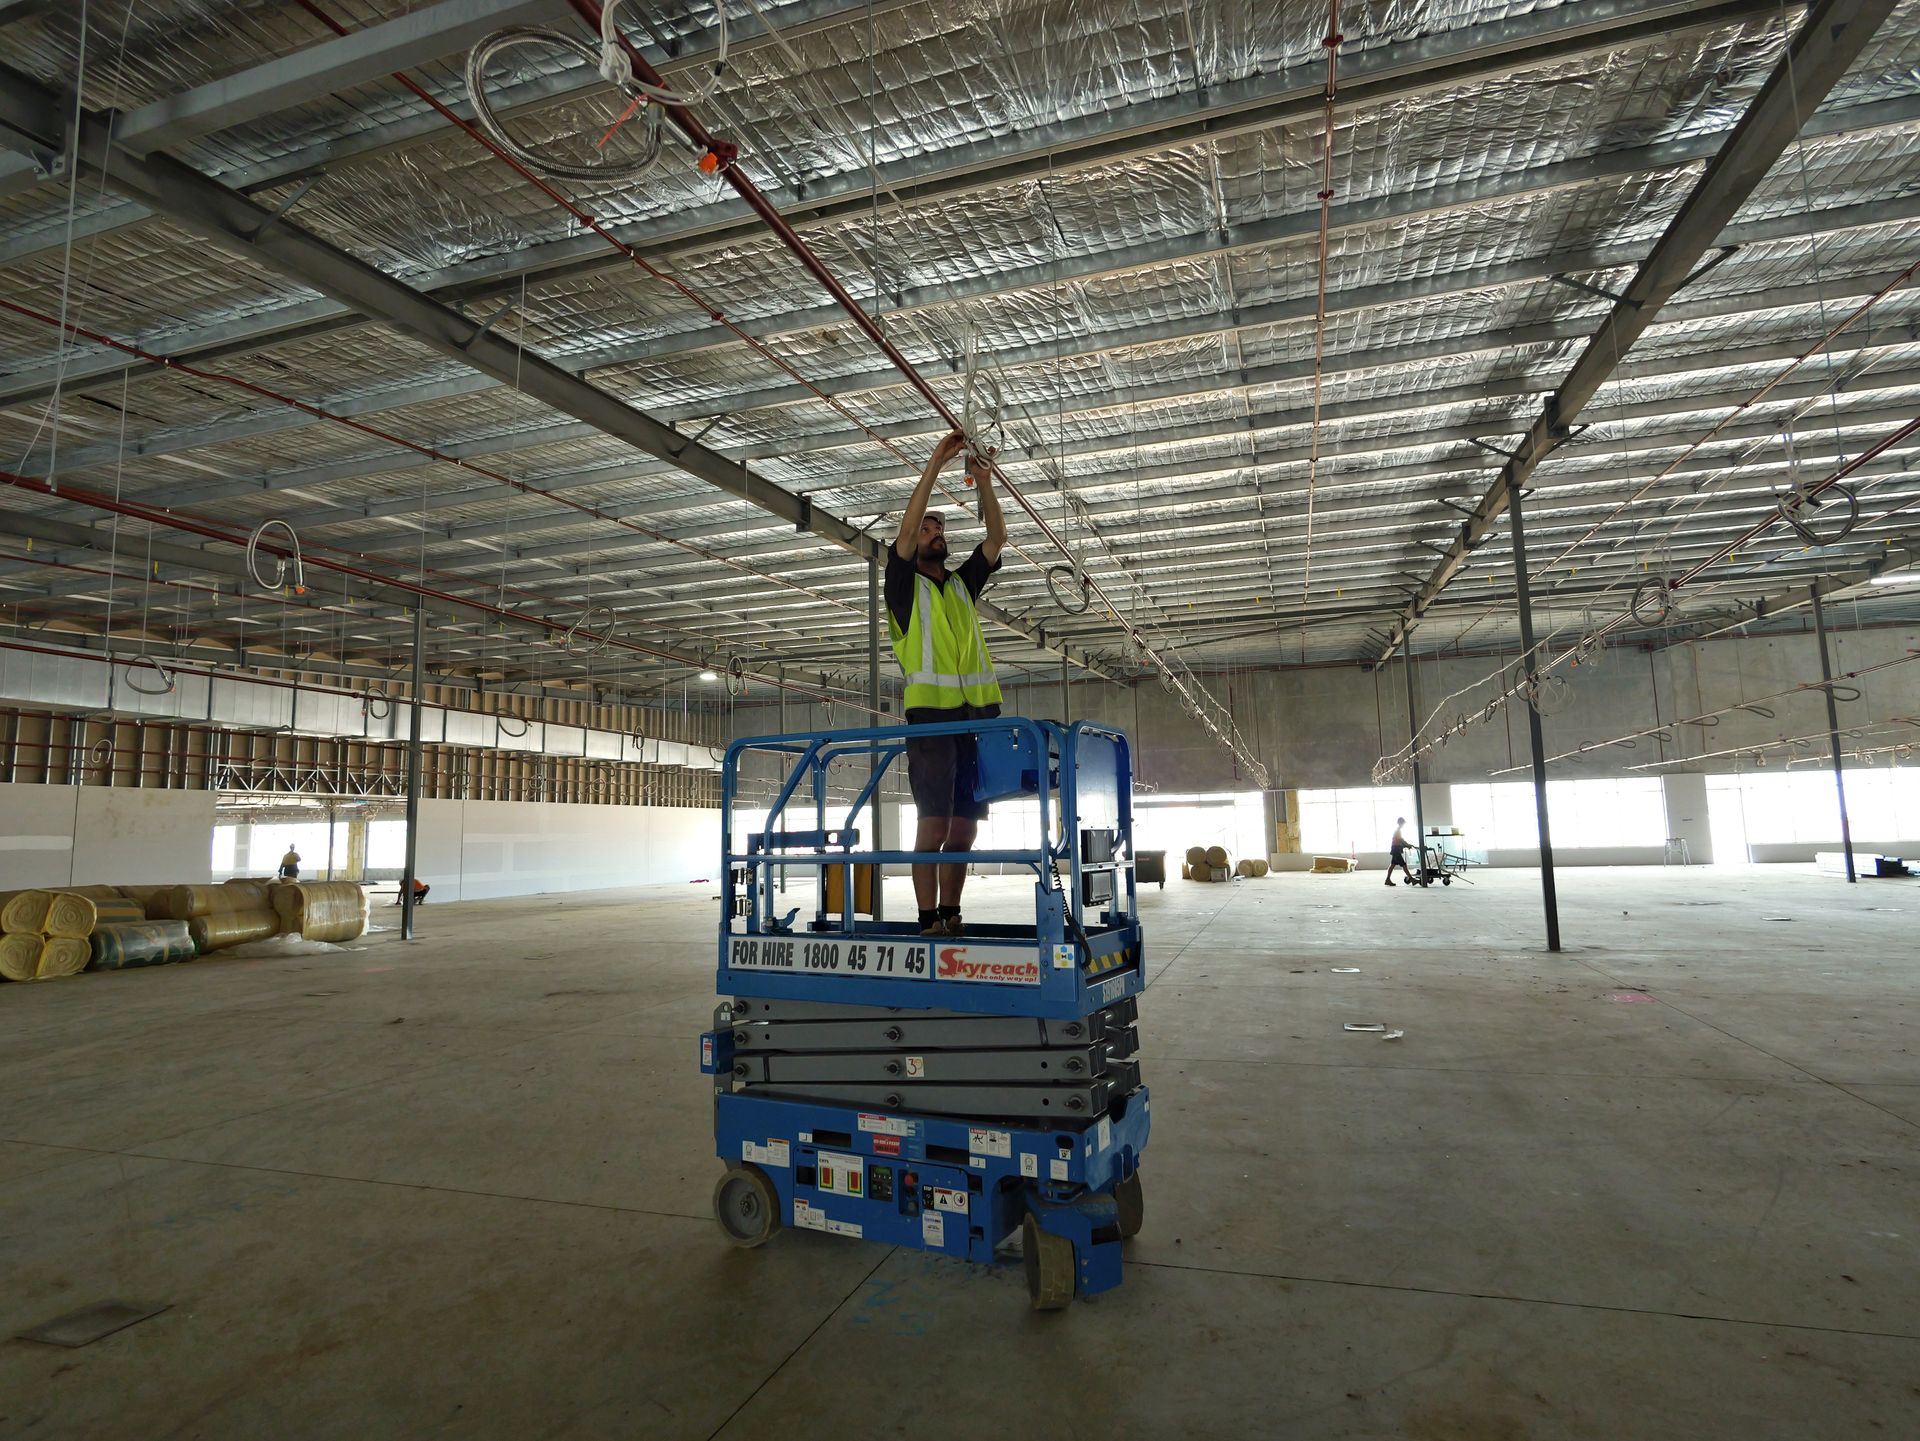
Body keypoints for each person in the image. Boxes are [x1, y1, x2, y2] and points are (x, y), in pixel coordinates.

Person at [886, 430, 1008, 937]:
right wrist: (934, 463)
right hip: (931, 722)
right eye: (930, 526)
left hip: (974, 720)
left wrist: (984, 481)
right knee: (933, 826)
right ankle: (925, 918)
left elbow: (996, 538)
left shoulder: (959, 584)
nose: (937, 530)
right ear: (914, 543)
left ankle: (951, 913)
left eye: (941, 526)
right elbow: (908, 529)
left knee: (964, 829)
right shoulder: (902, 586)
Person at [1385, 818, 1418, 887]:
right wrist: (1407, 845)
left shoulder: (1398, 831)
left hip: (1395, 849)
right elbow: (1401, 841)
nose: (1403, 825)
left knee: (1392, 865)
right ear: (1400, 823)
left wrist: (1407, 845)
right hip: (1396, 849)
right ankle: (1412, 879)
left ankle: (1387, 880)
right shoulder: (1398, 831)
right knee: (1403, 865)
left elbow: (1400, 841)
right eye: (1403, 823)